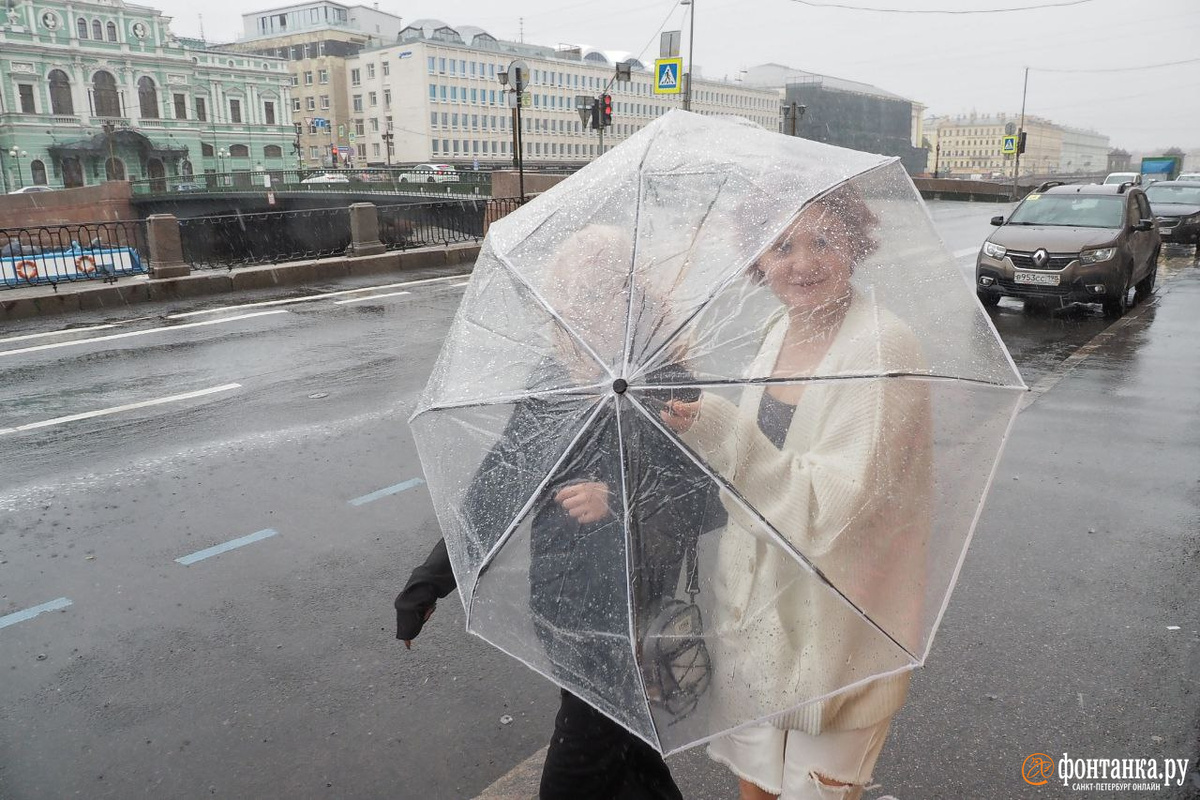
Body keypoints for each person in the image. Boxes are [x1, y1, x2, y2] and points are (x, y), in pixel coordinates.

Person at [397, 225, 709, 800]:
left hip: (629, 612)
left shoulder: (670, 382)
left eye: (598, 292)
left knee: (578, 768)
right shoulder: (551, 380)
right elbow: (501, 485)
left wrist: (619, 503)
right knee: (628, 749)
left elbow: (706, 500)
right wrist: (433, 580)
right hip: (562, 608)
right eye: (569, 296)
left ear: (633, 294)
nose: (580, 309)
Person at [659, 184, 933, 800]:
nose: (802, 263)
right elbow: (753, 478)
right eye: (781, 246)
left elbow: (832, 511)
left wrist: (723, 429)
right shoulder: (776, 330)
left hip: (840, 627)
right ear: (759, 259)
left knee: (816, 792)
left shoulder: (882, 349)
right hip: (762, 622)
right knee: (754, 787)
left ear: (855, 246)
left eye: (822, 241)